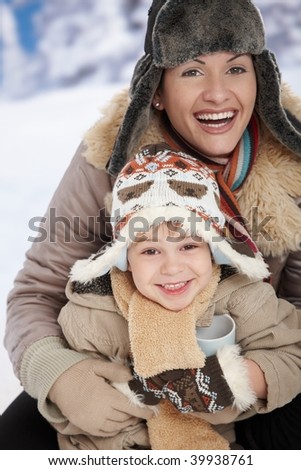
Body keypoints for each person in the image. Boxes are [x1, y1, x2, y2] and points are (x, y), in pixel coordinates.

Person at [1, 0, 301, 450]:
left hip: (242, 366)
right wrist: (60, 374)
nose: (218, 93)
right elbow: (37, 291)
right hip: (121, 365)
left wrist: (251, 377)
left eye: (236, 69)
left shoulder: (294, 162)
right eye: (192, 71)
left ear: (262, 78)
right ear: (156, 89)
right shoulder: (108, 157)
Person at [53, 146, 301, 450]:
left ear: (212, 247)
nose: (172, 268)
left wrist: (236, 378)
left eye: (188, 246)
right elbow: (71, 402)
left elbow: (290, 355)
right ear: (125, 258)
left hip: (210, 445)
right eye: (150, 251)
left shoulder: (245, 297)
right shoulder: (91, 314)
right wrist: (83, 400)